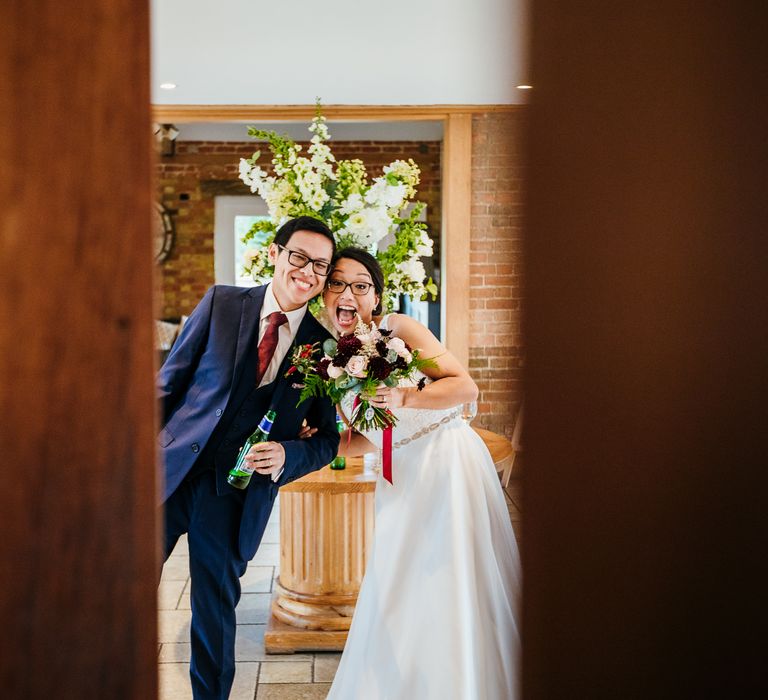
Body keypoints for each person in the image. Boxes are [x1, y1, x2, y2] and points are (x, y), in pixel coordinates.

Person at [319, 247, 521, 699]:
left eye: (360, 284)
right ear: (325, 295)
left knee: (448, 578)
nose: (347, 292)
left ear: (375, 297)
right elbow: (366, 437)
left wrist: (406, 398)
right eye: (337, 282)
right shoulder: (329, 362)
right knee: (399, 582)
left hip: (447, 462)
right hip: (399, 476)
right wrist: (302, 449)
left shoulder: (398, 330)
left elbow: (465, 386)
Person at [158, 216, 341, 700]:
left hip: (235, 494)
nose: (307, 271)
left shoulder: (324, 347)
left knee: (214, 614)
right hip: (170, 472)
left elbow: (328, 438)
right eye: (299, 257)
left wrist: (289, 452)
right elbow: (166, 386)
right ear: (275, 254)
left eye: (320, 266)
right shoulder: (220, 302)